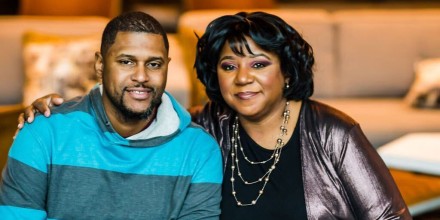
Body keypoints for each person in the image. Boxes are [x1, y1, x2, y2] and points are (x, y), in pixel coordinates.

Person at [17, 11, 411, 219]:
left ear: (286, 72)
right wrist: (57, 109)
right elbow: (138, 116)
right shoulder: (202, 127)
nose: (243, 79)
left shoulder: (332, 133)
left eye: (258, 65)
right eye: (228, 67)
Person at [1, 11, 223, 219]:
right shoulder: (43, 132)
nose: (141, 76)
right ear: (100, 64)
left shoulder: (199, 149)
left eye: (154, 64)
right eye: (126, 62)